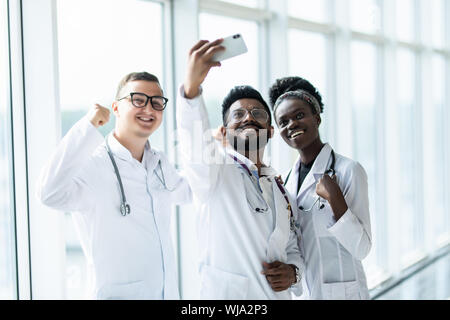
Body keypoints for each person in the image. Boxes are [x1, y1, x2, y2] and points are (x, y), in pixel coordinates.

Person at [36, 72, 191, 299]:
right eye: (138, 100)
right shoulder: (93, 165)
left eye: (157, 103)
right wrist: (87, 125)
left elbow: (189, 192)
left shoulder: (159, 163)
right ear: (116, 108)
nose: (149, 109)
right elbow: (48, 193)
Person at [176, 39, 304, 300]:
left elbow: (290, 245)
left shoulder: (280, 190)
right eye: (238, 115)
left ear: (270, 131)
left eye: (258, 113)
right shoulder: (215, 172)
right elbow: (195, 146)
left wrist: (294, 272)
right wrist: (191, 91)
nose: (248, 117)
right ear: (224, 131)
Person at [268, 76, 372, 299]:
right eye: (283, 122)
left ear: (316, 118)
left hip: (345, 293)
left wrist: (336, 199)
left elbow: (362, 248)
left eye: (299, 115)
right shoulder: (287, 183)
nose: (291, 124)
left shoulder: (348, 171)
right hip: (306, 293)